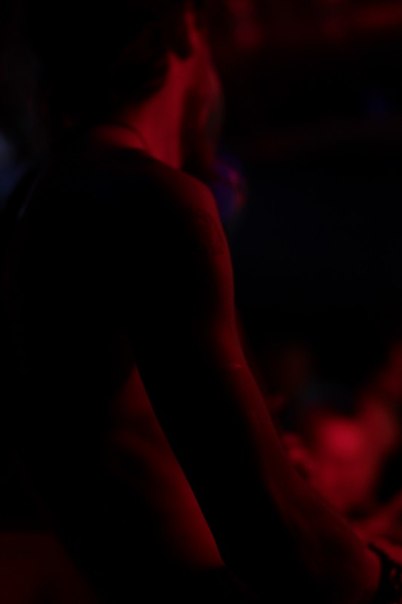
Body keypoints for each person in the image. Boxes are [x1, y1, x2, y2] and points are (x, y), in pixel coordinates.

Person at [2, 1, 390, 602]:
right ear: (184, 25)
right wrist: (385, 579)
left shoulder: (34, 202)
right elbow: (276, 536)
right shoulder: (150, 202)